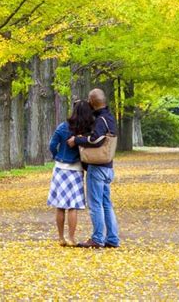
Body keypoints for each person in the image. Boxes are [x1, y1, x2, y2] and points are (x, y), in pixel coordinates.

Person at [67, 88, 120, 248]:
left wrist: (77, 140)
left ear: (92, 101)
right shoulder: (110, 118)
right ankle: (112, 238)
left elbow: (95, 140)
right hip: (108, 167)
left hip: (97, 167)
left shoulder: (100, 120)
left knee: (95, 204)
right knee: (106, 203)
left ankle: (97, 238)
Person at [47, 100, 95, 246]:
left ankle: (61, 237)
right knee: (72, 206)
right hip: (75, 169)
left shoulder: (63, 127)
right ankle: (71, 238)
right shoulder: (86, 130)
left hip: (60, 169)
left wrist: (57, 155)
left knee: (60, 206)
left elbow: (52, 145)